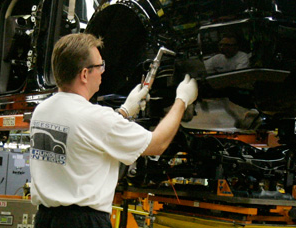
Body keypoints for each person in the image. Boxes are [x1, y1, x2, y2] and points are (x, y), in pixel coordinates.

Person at [29, 33, 198, 227]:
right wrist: (182, 100)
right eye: (99, 66)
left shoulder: (41, 111)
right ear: (84, 74)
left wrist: (125, 111)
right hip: (84, 222)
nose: (102, 71)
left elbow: (87, 135)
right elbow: (157, 144)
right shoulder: (95, 118)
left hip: (46, 219)